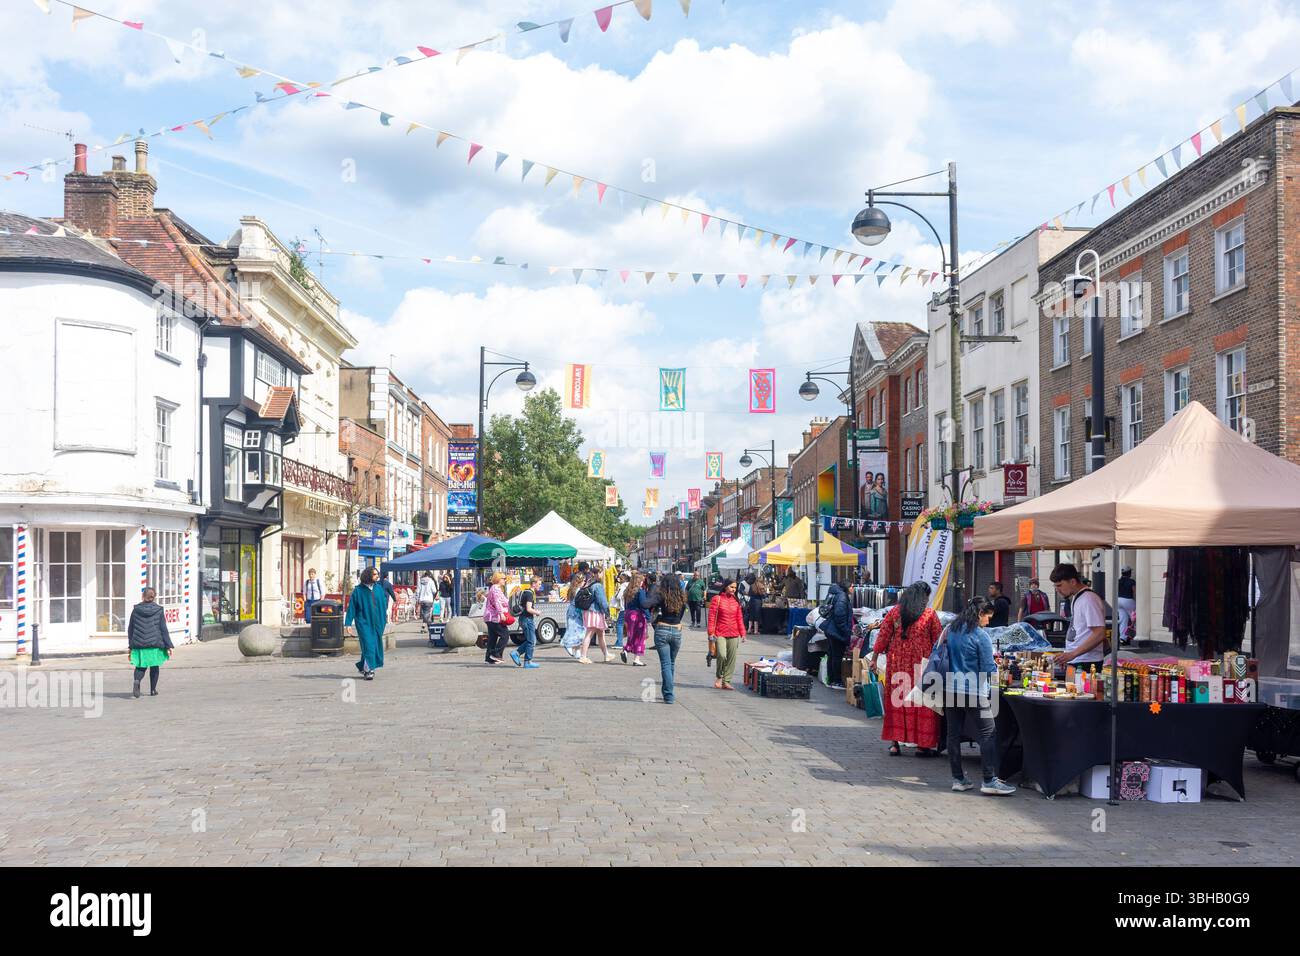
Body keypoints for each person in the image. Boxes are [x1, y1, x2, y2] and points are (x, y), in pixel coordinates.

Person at [944, 597, 1016, 796]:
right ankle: (989, 779)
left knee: (953, 734)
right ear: (979, 614)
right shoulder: (980, 635)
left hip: (951, 687)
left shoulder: (951, 630)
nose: (989, 621)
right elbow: (987, 668)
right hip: (974, 690)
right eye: (988, 617)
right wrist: (996, 665)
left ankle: (958, 779)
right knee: (988, 733)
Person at [869, 582, 942, 756]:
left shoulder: (895, 612)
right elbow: (938, 640)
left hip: (897, 663)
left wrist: (874, 658)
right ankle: (922, 745)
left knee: (897, 702)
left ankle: (895, 744)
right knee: (922, 703)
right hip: (921, 665)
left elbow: (883, 636)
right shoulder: (929, 614)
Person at [1049, 563, 1107, 668]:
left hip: (1087, 662)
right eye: (1055, 586)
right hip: (1078, 659)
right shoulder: (1078, 597)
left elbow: (1099, 633)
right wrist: (1068, 654)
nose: (1057, 590)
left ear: (1072, 582)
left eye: (1059, 585)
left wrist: (1072, 654)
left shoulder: (1088, 599)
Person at [127, 587, 173, 698]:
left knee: (140, 666)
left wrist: (131, 645)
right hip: (155, 643)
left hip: (140, 644)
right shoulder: (158, 610)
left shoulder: (136, 610)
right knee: (154, 666)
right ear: (154, 597)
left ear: (143, 596)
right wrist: (168, 645)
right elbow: (163, 628)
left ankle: (137, 681)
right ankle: (153, 690)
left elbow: (131, 628)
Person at [345, 566, 388, 680]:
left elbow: (383, 605)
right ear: (368, 575)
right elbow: (352, 608)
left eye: (377, 574)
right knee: (369, 644)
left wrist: (384, 619)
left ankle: (363, 666)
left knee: (372, 645)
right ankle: (369, 670)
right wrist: (348, 623)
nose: (377, 576)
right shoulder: (358, 591)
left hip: (378, 622)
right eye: (374, 574)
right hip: (364, 622)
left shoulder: (378, 589)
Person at [650, 572, 688, 703]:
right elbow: (681, 615)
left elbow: (645, 604)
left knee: (666, 663)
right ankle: (669, 693)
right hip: (677, 630)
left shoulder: (661, 596)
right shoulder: (682, 598)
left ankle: (669, 694)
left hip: (662, 629)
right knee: (671, 663)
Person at [708, 577, 746, 690]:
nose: (734, 589)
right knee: (722, 654)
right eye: (731, 587)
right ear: (725, 586)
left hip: (734, 633)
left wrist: (743, 633)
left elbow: (739, 618)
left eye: (735, 587)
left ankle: (727, 681)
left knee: (731, 658)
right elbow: (711, 617)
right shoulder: (717, 599)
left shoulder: (736, 601)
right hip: (720, 633)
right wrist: (711, 632)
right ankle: (719, 677)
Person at [576, 563, 613, 664]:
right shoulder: (598, 585)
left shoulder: (588, 583)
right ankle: (583, 656)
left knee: (601, 633)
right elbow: (602, 601)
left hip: (588, 611)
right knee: (589, 634)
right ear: (600, 573)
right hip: (595, 612)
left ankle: (606, 654)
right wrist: (607, 612)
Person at [819, 581, 854, 690]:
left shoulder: (839, 595)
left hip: (832, 629)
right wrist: (846, 630)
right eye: (852, 586)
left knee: (832, 655)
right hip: (836, 631)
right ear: (847, 587)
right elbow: (839, 615)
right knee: (837, 656)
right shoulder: (842, 597)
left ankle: (831, 679)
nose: (853, 588)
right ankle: (836, 681)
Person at [509, 575, 542, 669]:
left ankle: (517, 653)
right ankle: (527, 661)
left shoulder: (526, 592)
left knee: (531, 640)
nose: (540, 586)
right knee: (531, 641)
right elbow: (528, 609)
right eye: (539, 584)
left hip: (524, 619)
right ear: (534, 584)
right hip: (527, 619)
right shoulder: (530, 594)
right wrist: (537, 612)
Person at [621, 573, 649, 666]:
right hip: (638, 615)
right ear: (639, 581)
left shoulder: (627, 591)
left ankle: (625, 650)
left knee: (631, 635)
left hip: (628, 614)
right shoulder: (640, 592)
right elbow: (643, 605)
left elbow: (625, 604)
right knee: (640, 637)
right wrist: (648, 616)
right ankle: (637, 659)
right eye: (642, 581)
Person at [482, 571, 510, 665]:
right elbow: (497, 602)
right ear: (498, 579)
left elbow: (505, 601)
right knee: (505, 635)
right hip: (493, 616)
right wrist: (501, 613)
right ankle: (496, 654)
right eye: (503, 578)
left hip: (490, 616)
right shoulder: (496, 589)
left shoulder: (496, 588)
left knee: (493, 638)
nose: (505, 580)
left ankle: (489, 658)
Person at [561, 569, 587, 659]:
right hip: (576, 612)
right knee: (578, 632)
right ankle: (569, 646)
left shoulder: (573, 589)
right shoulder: (578, 590)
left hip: (572, 611)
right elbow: (579, 602)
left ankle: (577, 651)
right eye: (584, 580)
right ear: (580, 581)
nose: (585, 582)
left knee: (577, 632)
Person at [1117, 565, 1137, 645]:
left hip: (1118, 601)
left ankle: (1123, 638)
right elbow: (1134, 591)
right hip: (1128, 600)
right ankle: (1135, 636)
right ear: (1129, 573)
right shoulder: (1131, 581)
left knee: (1123, 620)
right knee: (1135, 618)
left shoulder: (1118, 581)